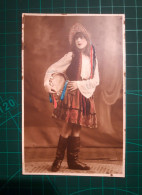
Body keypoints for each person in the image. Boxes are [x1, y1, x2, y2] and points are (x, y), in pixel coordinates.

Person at [44, 23, 100, 172]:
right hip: (72, 96)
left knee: (77, 127)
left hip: (85, 95)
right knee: (67, 126)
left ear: (87, 40)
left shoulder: (93, 59)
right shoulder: (71, 56)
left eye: (82, 38)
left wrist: (79, 84)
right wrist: (48, 84)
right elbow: (52, 69)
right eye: (76, 38)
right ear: (74, 42)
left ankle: (73, 161)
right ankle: (57, 160)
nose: (79, 40)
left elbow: (96, 81)